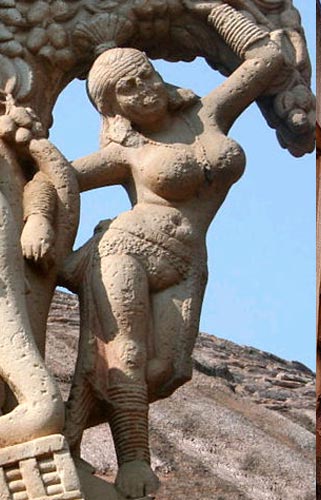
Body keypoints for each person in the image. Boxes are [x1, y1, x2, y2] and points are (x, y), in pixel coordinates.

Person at [44, 3, 304, 497]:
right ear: (112, 109)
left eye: (145, 76)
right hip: (126, 247)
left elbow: (267, 58)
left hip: (187, 260)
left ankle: (69, 431)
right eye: (128, 89)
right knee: (127, 354)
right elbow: (60, 178)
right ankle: (134, 463)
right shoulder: (125, 151)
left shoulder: (208, 113)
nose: (144, 89)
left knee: (167, 372)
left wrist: (212, 8)